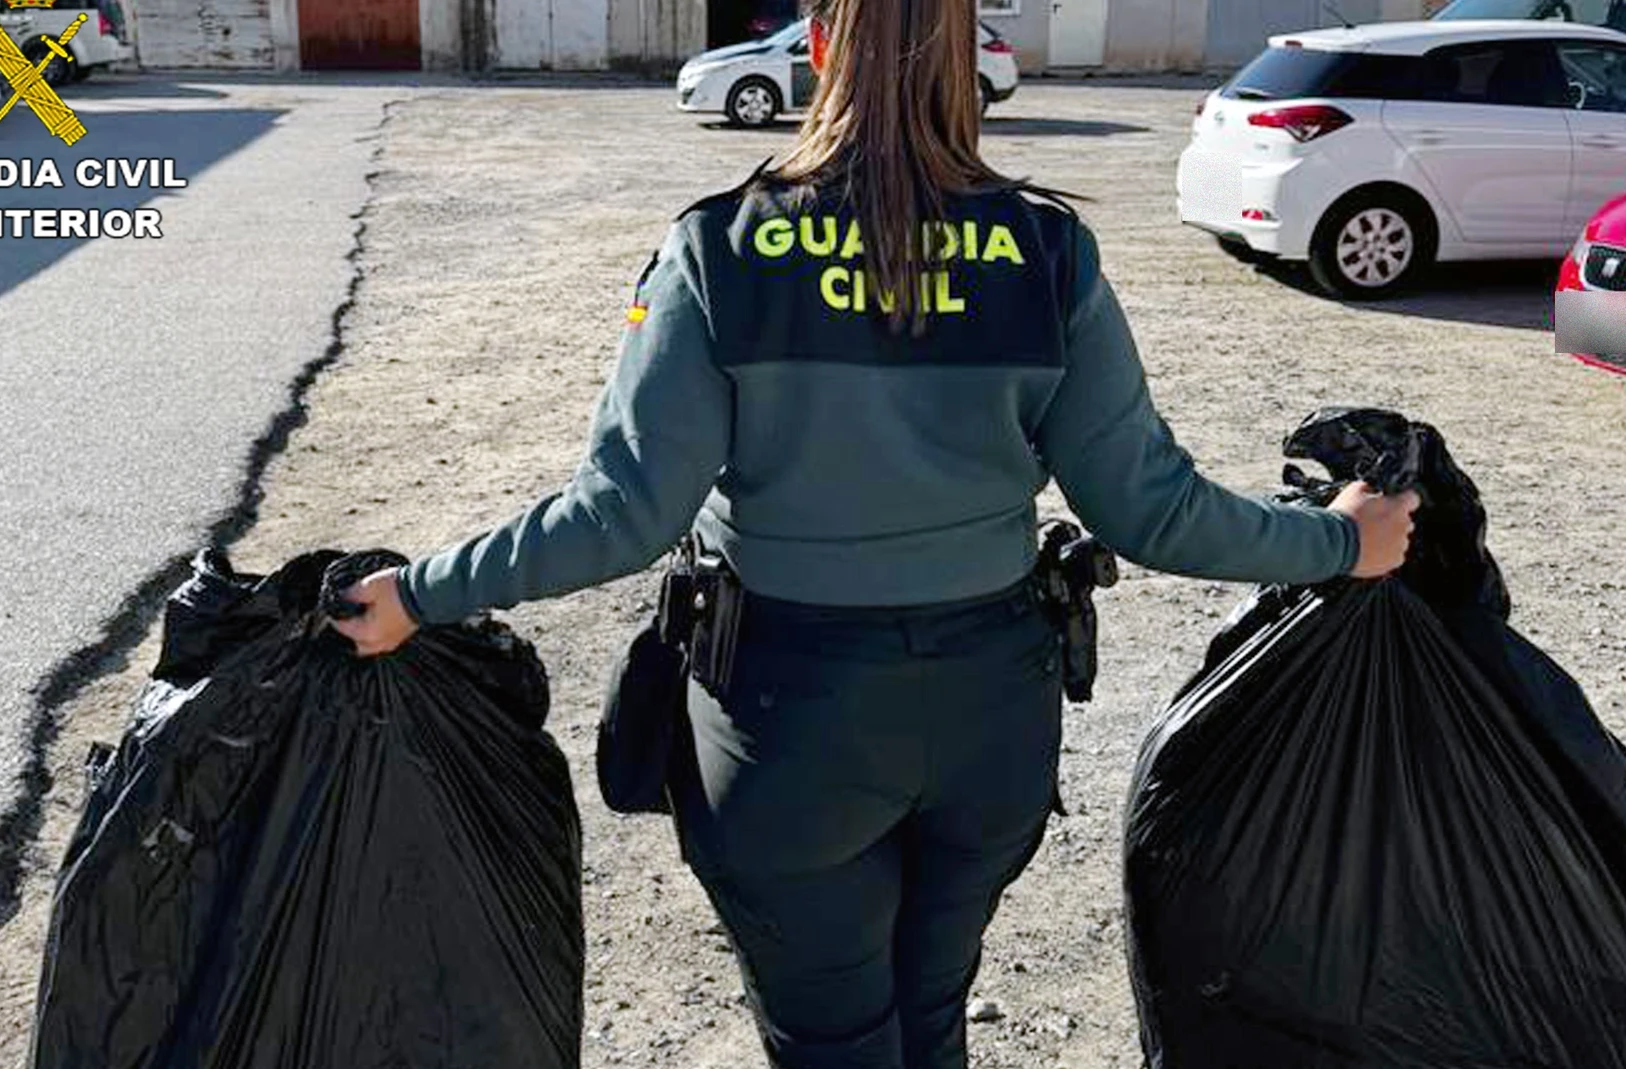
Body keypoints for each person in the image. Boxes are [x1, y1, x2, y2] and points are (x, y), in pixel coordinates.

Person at [330, 0, 1420, 1065]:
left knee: (831, 1035)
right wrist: (1340, 541)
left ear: (815, 48)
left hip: (786, 726)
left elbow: (621, 514)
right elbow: (1151, 510)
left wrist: (417, 592)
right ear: (968, 58)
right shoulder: (1046, 250)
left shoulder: (721, 248)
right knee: (931, 1007)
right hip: (993, 716)